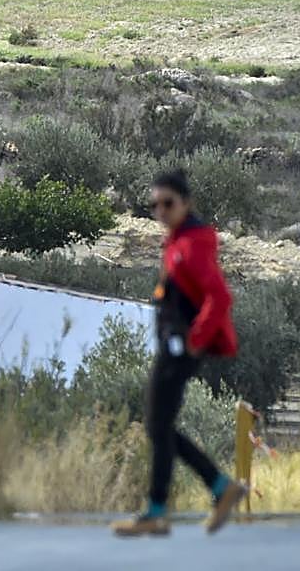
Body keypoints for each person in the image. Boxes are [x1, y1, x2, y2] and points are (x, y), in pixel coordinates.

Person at [113, 170, 247, 538]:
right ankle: (219, 487)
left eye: (167, 203)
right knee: (160, 426)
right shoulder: (178, 241)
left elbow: (219, 297)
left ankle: (160, 510)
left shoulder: (191, 244)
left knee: (158, 425)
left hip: (180, 350)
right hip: (172, 346)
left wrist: (195, 340)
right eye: (154, 204)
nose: (160, 210)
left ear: (186, 203)